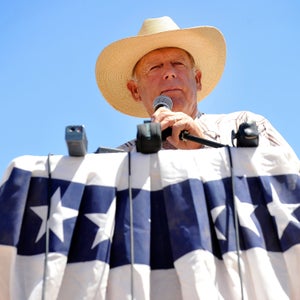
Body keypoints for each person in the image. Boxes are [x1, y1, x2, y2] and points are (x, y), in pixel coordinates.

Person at [95, 16, 298, 161]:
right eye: (155, 67)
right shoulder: (119, 161)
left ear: (197, 79)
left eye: (178, 64)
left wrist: (201, 145)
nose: (169, 73)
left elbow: (289, 188)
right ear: (135, 91)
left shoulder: (246, 125)